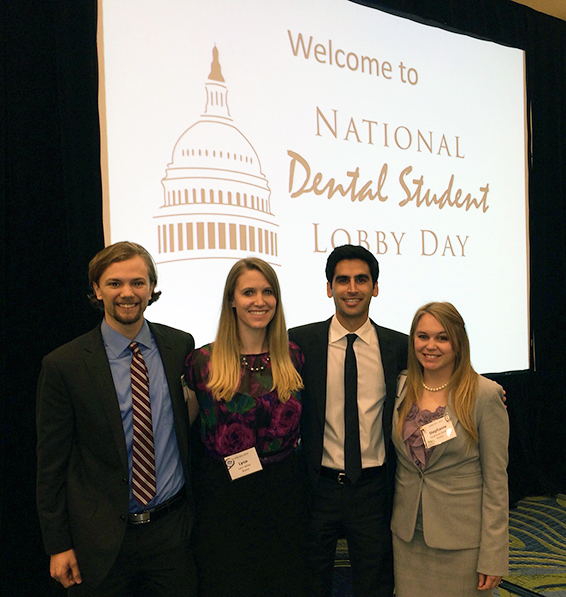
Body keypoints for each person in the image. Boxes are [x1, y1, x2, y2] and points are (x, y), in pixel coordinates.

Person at [36, 242, 196, 596]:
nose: (128, 293)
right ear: (96, 289)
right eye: (114, 283)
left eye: (138, 283)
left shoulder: (179, 347)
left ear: (152, 288)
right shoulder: (65, 365)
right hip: (100, 542)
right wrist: (58, 544)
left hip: (172, 537)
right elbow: (51, 464)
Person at [288, 244, 408, 597]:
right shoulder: (300, 342)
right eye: (342, 280)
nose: (351, 289)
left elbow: (439, 375)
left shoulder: (398, 346)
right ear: (329, 288)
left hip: (372, 487)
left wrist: (486, 390)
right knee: (311, 579)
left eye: (361, 280)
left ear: (375, 287)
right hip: (316, 486)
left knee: (375, 582)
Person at [184, 257, 307, 597]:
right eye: (249, 292)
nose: (259, 301)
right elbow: (183, 434)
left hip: (284, 498)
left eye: (268, 292)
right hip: (224, 502)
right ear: (232, 300)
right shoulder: (202, 362)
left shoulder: (295, 357)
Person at [391, 302, 508, 596]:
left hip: (462, 541)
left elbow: (496, 482)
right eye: (422, 336)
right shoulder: (401, 387)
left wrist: (494, 555)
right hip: (408, 536)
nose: (431, 346)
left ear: (458, 343)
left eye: (442, 338)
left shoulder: (484, 394)